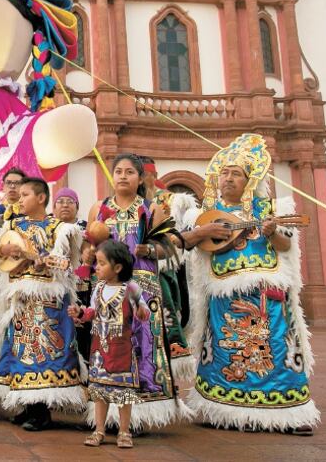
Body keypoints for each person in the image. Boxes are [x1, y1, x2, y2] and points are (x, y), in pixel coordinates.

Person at [181, 133, 318, 435]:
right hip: (223, 297)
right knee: (222, 353)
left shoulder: (272, 209)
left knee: (277, 355)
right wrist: (207, 231)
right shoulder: (204, 215)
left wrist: (271, 233)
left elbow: (285, 246)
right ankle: (220, 410)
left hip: (266, 297)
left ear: (250, 180)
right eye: (224, 173)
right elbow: (191, 244)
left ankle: (290, 413)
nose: (228, 179)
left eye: (236, 174)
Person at [85, 154, 191, 430]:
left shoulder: (151, 208)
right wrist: (88, 254)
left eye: (129, 172)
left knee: (143, 344)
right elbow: (88, 248)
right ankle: (107, 415)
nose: (122, 176)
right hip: (107, 288)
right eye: (118, 171)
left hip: (142, 286)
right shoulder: (98, 208)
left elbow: (169, 247)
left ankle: (141, 414)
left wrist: (150, 250)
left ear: (140, 178)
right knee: (108, 346)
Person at [0, 177, 84, 432]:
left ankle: (41, 410)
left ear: (41, 198)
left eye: (26, 194)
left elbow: (70, 265)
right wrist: (2, 250)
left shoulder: (60, 228)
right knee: (19, 352)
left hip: (47, 300)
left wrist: (48, 263)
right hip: (19, 299)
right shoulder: (12, 225)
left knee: (44, 353)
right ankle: (28, 404)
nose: (20, 198)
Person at [71, 241, 150, 449]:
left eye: (102, 263)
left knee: (123, 393)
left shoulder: (130, 288)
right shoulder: (98, 288)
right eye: (97, 263)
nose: (96, 267)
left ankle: (124, 431)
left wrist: (141, 312)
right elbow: (92, 312)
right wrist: (80, 313)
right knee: (99, 392)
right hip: (100, 349)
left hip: (123, 348)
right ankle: (99, 430)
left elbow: (143, 311)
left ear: (117, 268)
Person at [139, 156, 193, 380]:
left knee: (170, 314)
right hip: (135, 270)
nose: (141, 178)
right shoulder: (120, 202)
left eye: (144, 173)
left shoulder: (173, 201)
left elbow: (181, 235)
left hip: (167, 265)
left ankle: (168, 376)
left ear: (154, 175)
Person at [53, 186, 92, 362]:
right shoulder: (49, 227)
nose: (65, 205)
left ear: (77, 206)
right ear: (53, 207)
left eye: (70, 201)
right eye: (60, 201)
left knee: (82, 327)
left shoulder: (86, 228)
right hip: (55, 287)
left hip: (81, 286)